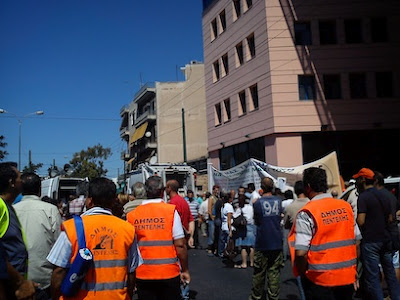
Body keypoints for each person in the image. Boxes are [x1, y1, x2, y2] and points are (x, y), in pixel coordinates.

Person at [47, 177, 142, 299]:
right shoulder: (127, 229)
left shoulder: (71, 228)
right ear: (114, 201)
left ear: (89, 201)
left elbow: (58, 272)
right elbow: (131, 273)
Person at [288, 167, 360, 300]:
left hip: (319, 281)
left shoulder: (307, 212)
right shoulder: (345, 207)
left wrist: (303, 274)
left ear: (307, 186)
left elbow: (300, 253)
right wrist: (353, 270)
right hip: (346, 278)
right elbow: (357, 241)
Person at [126, 176, 190, 300]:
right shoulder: (170, 211)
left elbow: (129, 249)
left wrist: (130, 278)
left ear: (145, 191)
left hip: (143, 274)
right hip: (169, 272)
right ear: (162, 191)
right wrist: (185, 269)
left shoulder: (132, 215)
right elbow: (180, 244)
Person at [13, 172, 62, 299]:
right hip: (44, 280)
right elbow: (58, 246)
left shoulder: (11, 209)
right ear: (39, 190)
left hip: (18, 280)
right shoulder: (51, 210)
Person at [355, 168, 400, 299]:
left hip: (371, 241)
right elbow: (391, 218)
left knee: (373, 276)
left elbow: (361, 221)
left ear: (363, 180)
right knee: (390, 272)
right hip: (386, 239)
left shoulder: (363, 197)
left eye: (358, 179)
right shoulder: (384, 195)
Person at [0, 162, 36, 300]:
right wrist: (19, 282)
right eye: (20, 178)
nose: (23, 181)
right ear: (12, 182)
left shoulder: (9, 207)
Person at [249, 177, 283, 300]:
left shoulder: (257, 203)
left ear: (261, 188)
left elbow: (257, 221)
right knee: (274, 273)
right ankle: (273, 297)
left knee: (259, 274)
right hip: (276, 241)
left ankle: (256, 297)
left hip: (262, 242)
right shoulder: (279, 201)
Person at [374, 171, 400, 281]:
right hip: (394, 233)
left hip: (384, 234)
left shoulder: (378, 197)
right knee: (395, 264)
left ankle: (385, 292)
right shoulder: (391, 196)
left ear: (375, 182)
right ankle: (393, 292)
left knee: (382, 265)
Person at [166, 180, 195, 248]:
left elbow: (177, 222)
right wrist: (191, 236)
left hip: (177, 240)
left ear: (169, 188)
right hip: (184, 240)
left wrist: (186, 232)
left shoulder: (172, 204)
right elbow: (191, 220)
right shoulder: (184, 201)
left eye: (166, 188)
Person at [234, 193, 255, 269]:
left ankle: (244, 263)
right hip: (251, 226)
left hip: (243, 228)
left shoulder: (239, 209)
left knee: (243, 247)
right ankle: (252, 262)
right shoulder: (250, 207)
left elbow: (235, 217)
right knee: (251, 246)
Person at [219, 192, 234, 259]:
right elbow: (229, 219)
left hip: (223, 226)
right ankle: (227, 253)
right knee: (228, 243)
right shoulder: (229, 206)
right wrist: (230, 229)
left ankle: (222, 253)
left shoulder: (223, 206)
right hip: (227, 227)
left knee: (223, 241)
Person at [207, 185, 220, 255]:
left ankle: (215, 248)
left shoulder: (218, 198)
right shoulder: (211, 198)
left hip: (217, 218)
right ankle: (210, 248)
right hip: (212, 219)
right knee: (211, 234)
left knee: (216, 234)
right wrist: (212, 217)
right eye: (216, 190)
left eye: (218, 190)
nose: (217, 191)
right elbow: (209, 209)